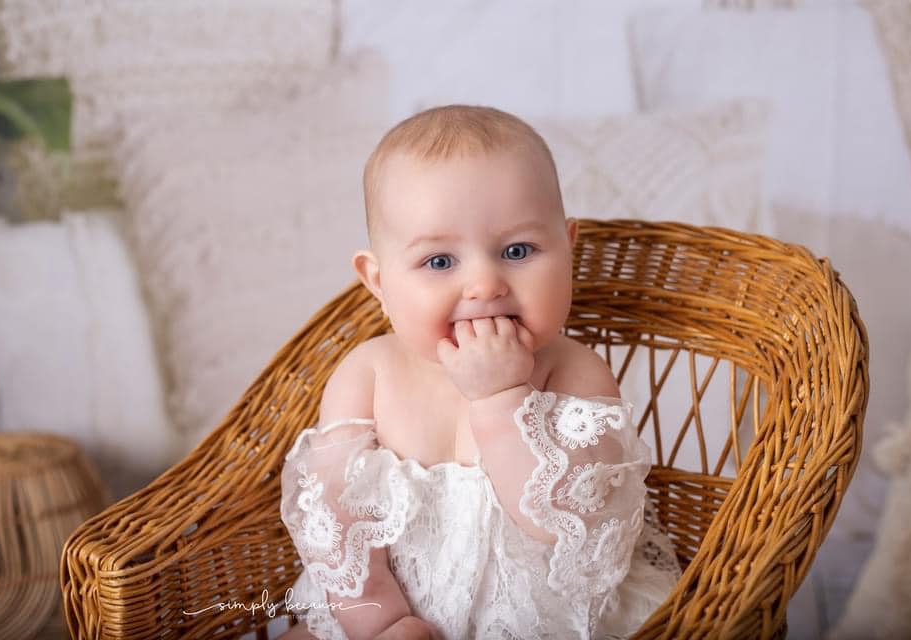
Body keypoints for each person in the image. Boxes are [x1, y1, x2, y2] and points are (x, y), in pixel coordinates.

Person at [278, 105, 680, 640]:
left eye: (517, 250)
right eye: (440, 261)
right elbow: (334, 528)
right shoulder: (367, 374)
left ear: (568, 246)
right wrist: (380, 623)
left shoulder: (574, 372)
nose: (485, 284)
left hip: (543, 620)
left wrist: (501, 397)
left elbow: (564, 534)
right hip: (379, 616)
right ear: (378, 281)